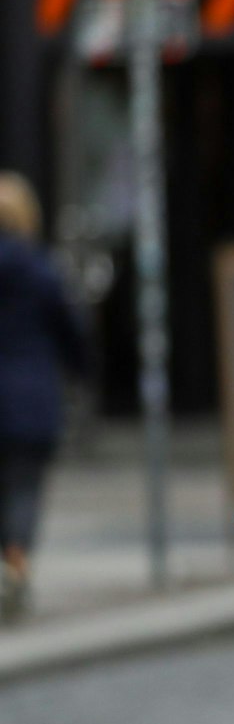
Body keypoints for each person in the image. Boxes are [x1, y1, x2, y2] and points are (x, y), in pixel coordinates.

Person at [0, 172, 86, 622]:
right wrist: (80, 369)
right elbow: (70, 330)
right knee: (24, 488)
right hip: (31, 398)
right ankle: (16, 564)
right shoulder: (40, 269)